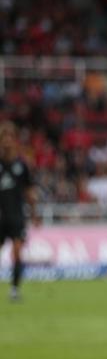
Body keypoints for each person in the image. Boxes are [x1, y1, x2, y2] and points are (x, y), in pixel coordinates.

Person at [0, 123, 39, 302]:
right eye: (3, 137)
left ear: (14, 140)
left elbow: (30, 191)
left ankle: (14, 290)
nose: (6, 141)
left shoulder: (21, 165)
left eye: (9, 137)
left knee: (17, 251)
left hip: (16, 215)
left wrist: (34, 213)